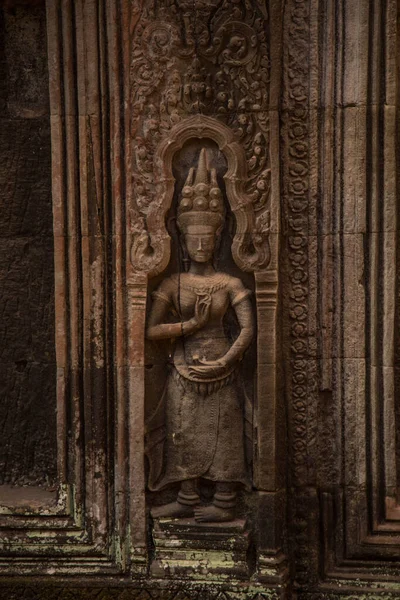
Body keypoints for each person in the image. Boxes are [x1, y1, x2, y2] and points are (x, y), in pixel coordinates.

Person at [145, 148, 254, 522]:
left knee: (225, 429)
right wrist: (189, 326)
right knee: (183, 427)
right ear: (182, 237)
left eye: (208, 238)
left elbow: (248, 328)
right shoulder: (174, 283)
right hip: (183, 365)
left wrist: (225, 360)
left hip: (221, 369)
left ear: (220, 235)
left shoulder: (230, 282)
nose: (202, 246)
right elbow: (152, 330)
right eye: (194, 239)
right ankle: (187, 494)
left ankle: (224, 499)